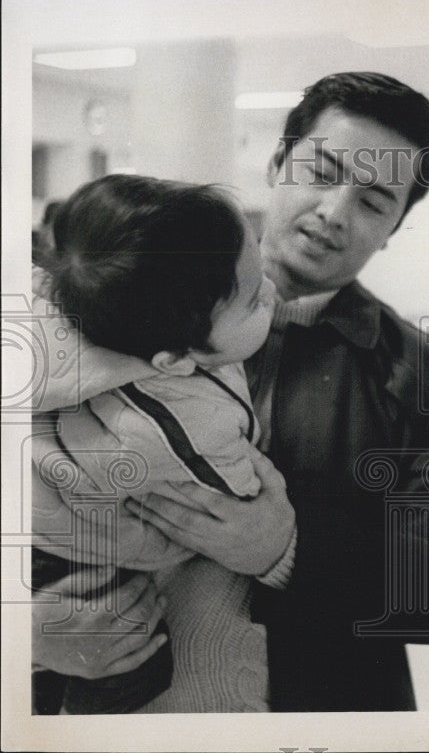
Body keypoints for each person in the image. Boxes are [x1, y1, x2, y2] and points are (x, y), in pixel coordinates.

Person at [31, 72, 429, 712]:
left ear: (395, 227)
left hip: (320, 708)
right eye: (323, 172)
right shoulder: (117, 309)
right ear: (278, 163)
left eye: (373, 202)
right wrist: (23, 630)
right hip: (96, 702)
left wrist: (286, 551)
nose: (335, 212)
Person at [32, 175, 276, 713]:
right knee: (128, 656)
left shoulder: (84, 318)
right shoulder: (185, 416)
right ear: (175, 360)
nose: (272, 293)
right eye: (256, 300)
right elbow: (237, 493)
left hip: (49, 535)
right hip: (74, 563)